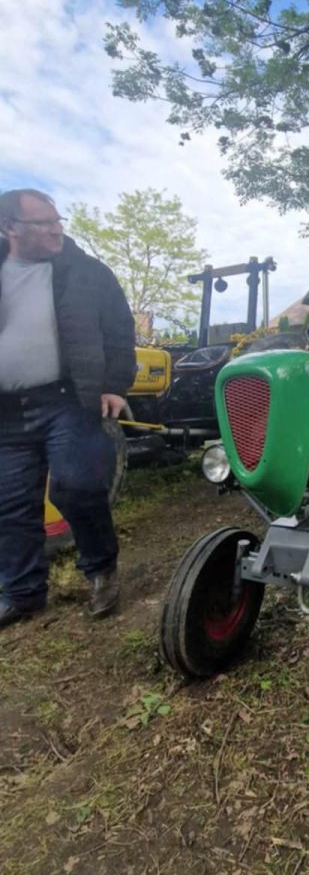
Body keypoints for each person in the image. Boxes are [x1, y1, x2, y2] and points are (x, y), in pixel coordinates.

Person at [0, 188, 136, 629]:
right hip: (6, 413)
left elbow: (119, 329)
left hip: (68, 399)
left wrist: (114, 385)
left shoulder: (88, 273)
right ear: (10, 228)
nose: (56, 228)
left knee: (77, 485)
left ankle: (100, 570)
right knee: (11, 503)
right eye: (43, 222)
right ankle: (22, 593)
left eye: (57, 219)